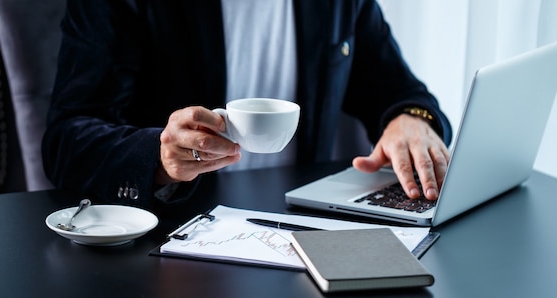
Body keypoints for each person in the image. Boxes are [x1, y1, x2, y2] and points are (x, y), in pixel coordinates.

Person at [42, 0, 452, 210]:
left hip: (301, 240)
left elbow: (402, 91)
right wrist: (159, 158)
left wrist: (410, 120)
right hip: (171, 247)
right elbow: (67, 139)